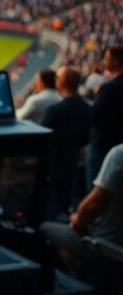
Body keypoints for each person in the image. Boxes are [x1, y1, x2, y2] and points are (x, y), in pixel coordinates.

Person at [41, 142, 123, 279]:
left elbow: (94, 206)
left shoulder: (119, 154)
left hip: (106, 247)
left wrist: (78, 223)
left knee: (43, 228)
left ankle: (77, 280)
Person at [42, 67, 92, 218]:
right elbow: (87, 137)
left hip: (52, 164)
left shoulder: (54, 110)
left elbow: (42, 137)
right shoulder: (87, 109)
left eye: (58, 77)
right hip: (73, 161)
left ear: (62, 82)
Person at [89, 46, 123, 186]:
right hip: (118, 143)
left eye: (106, 58)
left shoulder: (109, 88)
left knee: (96, 188)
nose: (103, 61)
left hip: (103, 146)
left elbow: (93, 116)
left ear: (115, 61)